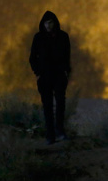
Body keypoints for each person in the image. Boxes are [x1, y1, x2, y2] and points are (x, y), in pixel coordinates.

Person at [29, 11, 71, 145]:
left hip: (59, 75)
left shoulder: (63, 37)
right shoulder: (38, 38)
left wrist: (66, 72)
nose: (48, 25)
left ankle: (60, 131)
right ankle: (50, 135)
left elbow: (67, 56)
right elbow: (32, 58)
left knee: (60, 104)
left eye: (51, 22)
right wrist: (38, 72)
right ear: (43, 23)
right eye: (46, 22)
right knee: (47, 106)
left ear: (55, 23)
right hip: (45, 76)